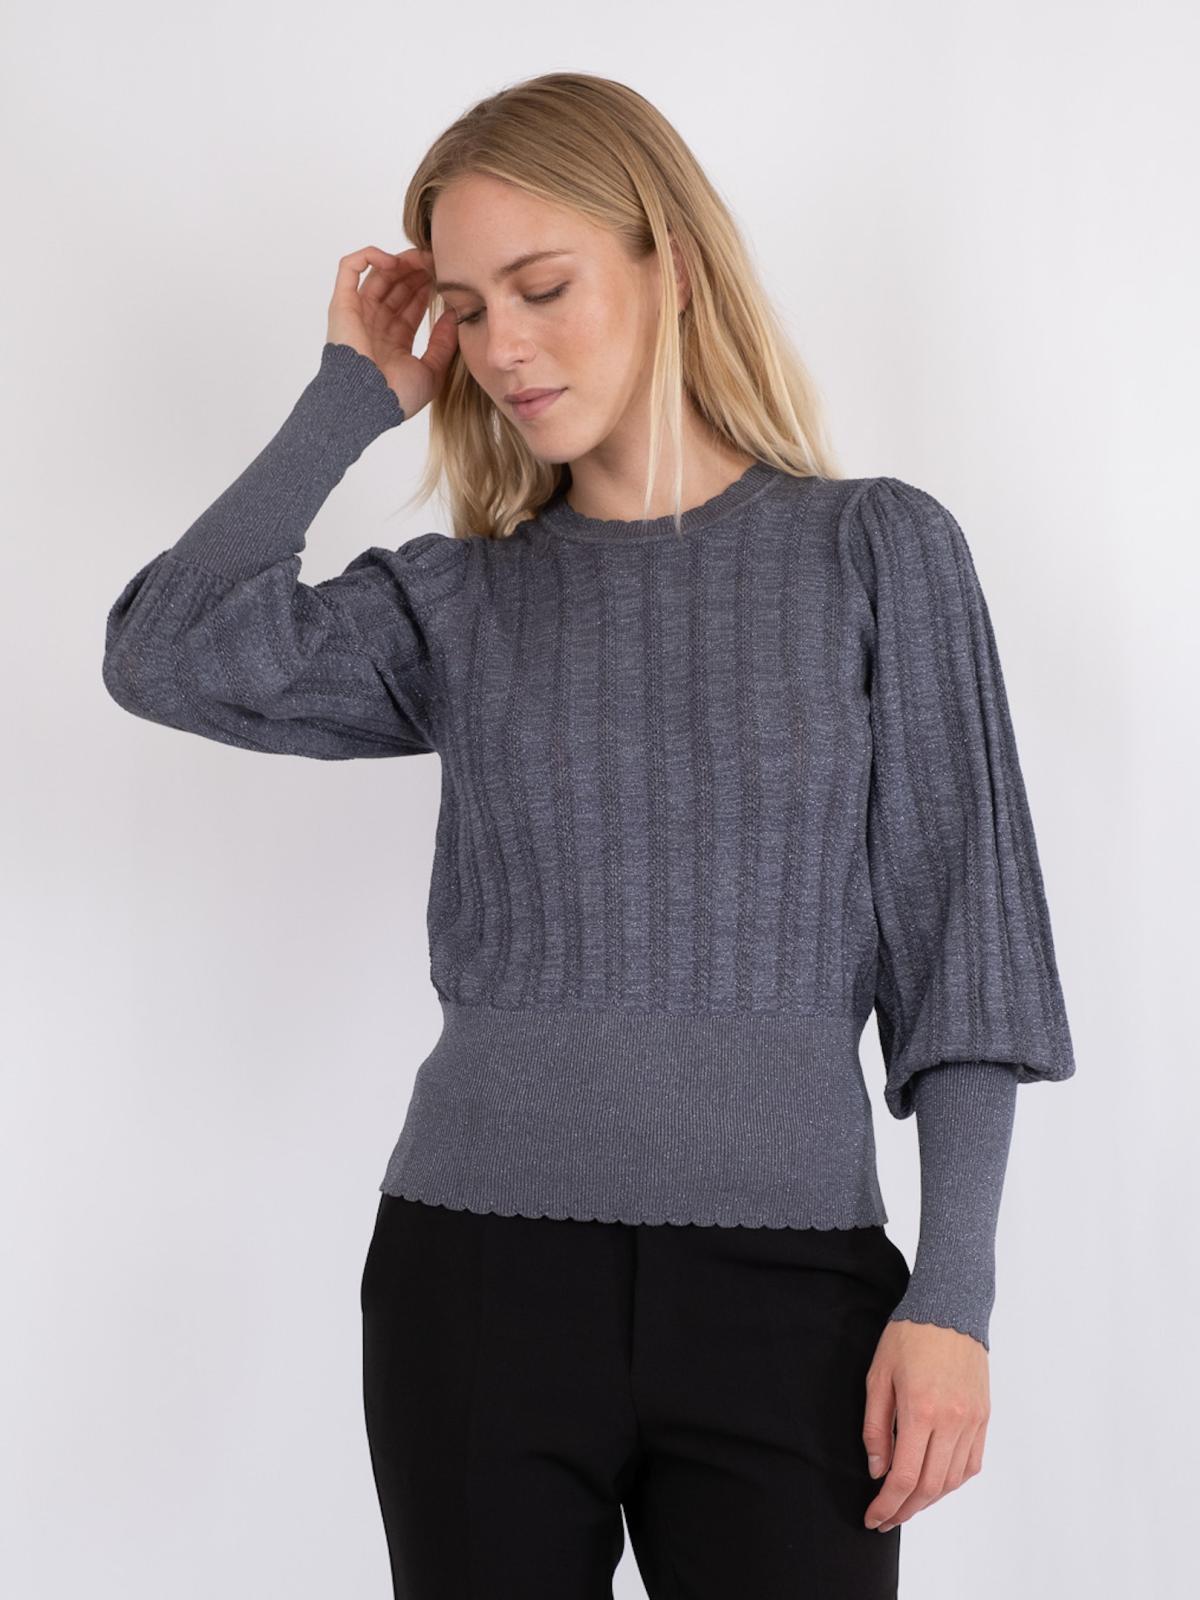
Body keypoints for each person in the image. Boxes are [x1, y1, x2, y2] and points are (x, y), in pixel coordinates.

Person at [102, 70, 1075, 1600]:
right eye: (467, 310)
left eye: (542, 288)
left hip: (793, 1294)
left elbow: (967, 953)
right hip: (475, 1281)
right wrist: (351, 392)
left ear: (669, 265)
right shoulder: (458, 600)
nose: (501, 348)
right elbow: (169, 654)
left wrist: (954, 1295)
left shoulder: (876, 552)